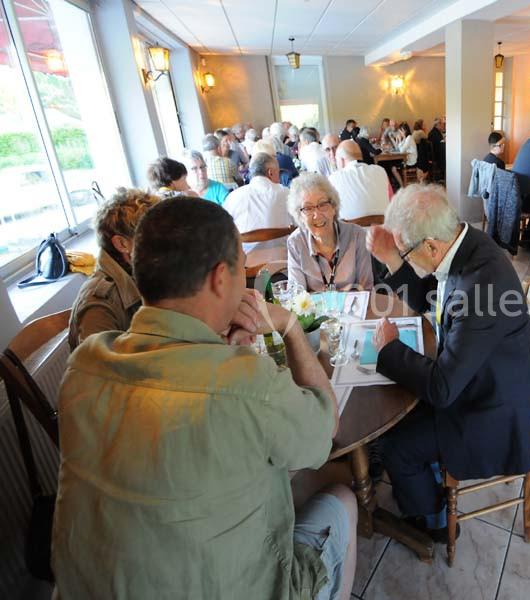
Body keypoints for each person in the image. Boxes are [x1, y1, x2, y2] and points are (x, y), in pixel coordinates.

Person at [53, 196, 357, 600]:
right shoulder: (247, 382)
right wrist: (290, 329)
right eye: (240, 268)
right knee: (342, 498)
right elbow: (325, 429)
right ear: (220, 278)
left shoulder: (83, 365)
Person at [365, 184, 530, 541]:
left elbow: (442, 389)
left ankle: (435, 523)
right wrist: (393, 259)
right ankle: (422, 484)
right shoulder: (465, 244)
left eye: (406, 252)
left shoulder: (480, 290)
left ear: (430, 245)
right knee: (396, 411)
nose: (405, 258)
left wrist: (389, 351)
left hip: (489, 412)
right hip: (481, 380)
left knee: (398, 445)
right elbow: (433, 299)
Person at [68, 188, 159, 350]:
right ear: (122, 244)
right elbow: (99, 372)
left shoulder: (143, 273)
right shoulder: (99, 304)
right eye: (155, 238)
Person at [286, 173, 373, 291]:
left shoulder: (357, 235)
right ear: (300, 216)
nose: (317, 215)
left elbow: (366, 289)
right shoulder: (295, 243)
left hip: (354, 308)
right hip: (314, 309)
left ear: (333, 207)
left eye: (322, 205)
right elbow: (296, 295)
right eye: (308, 208)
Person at [223, 152, 292, 252]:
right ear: (271, 173)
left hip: (245, 264)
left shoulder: (233, 197)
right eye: (278, 173)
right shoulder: (287, 194)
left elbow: (225, 233)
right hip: (285, 262)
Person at [328, 140, 392, 221]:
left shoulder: (333, 177)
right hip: (383, 229)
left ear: (342, 160)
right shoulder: (380, 170)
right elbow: (391, 199)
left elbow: (330, 210)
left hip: (351, 232)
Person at [392, 123, 417, 188]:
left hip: (411, 162)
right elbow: (397, 149)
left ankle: (402, 186)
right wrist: (398, 140)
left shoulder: (409, 138)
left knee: (394, 168)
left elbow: (402, 150)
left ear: (404, 131)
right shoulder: (406, 138)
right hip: (406, 159)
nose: (399, 133)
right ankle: (401, 184)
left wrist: (400, 139)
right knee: (393, 165)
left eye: (400, 131)